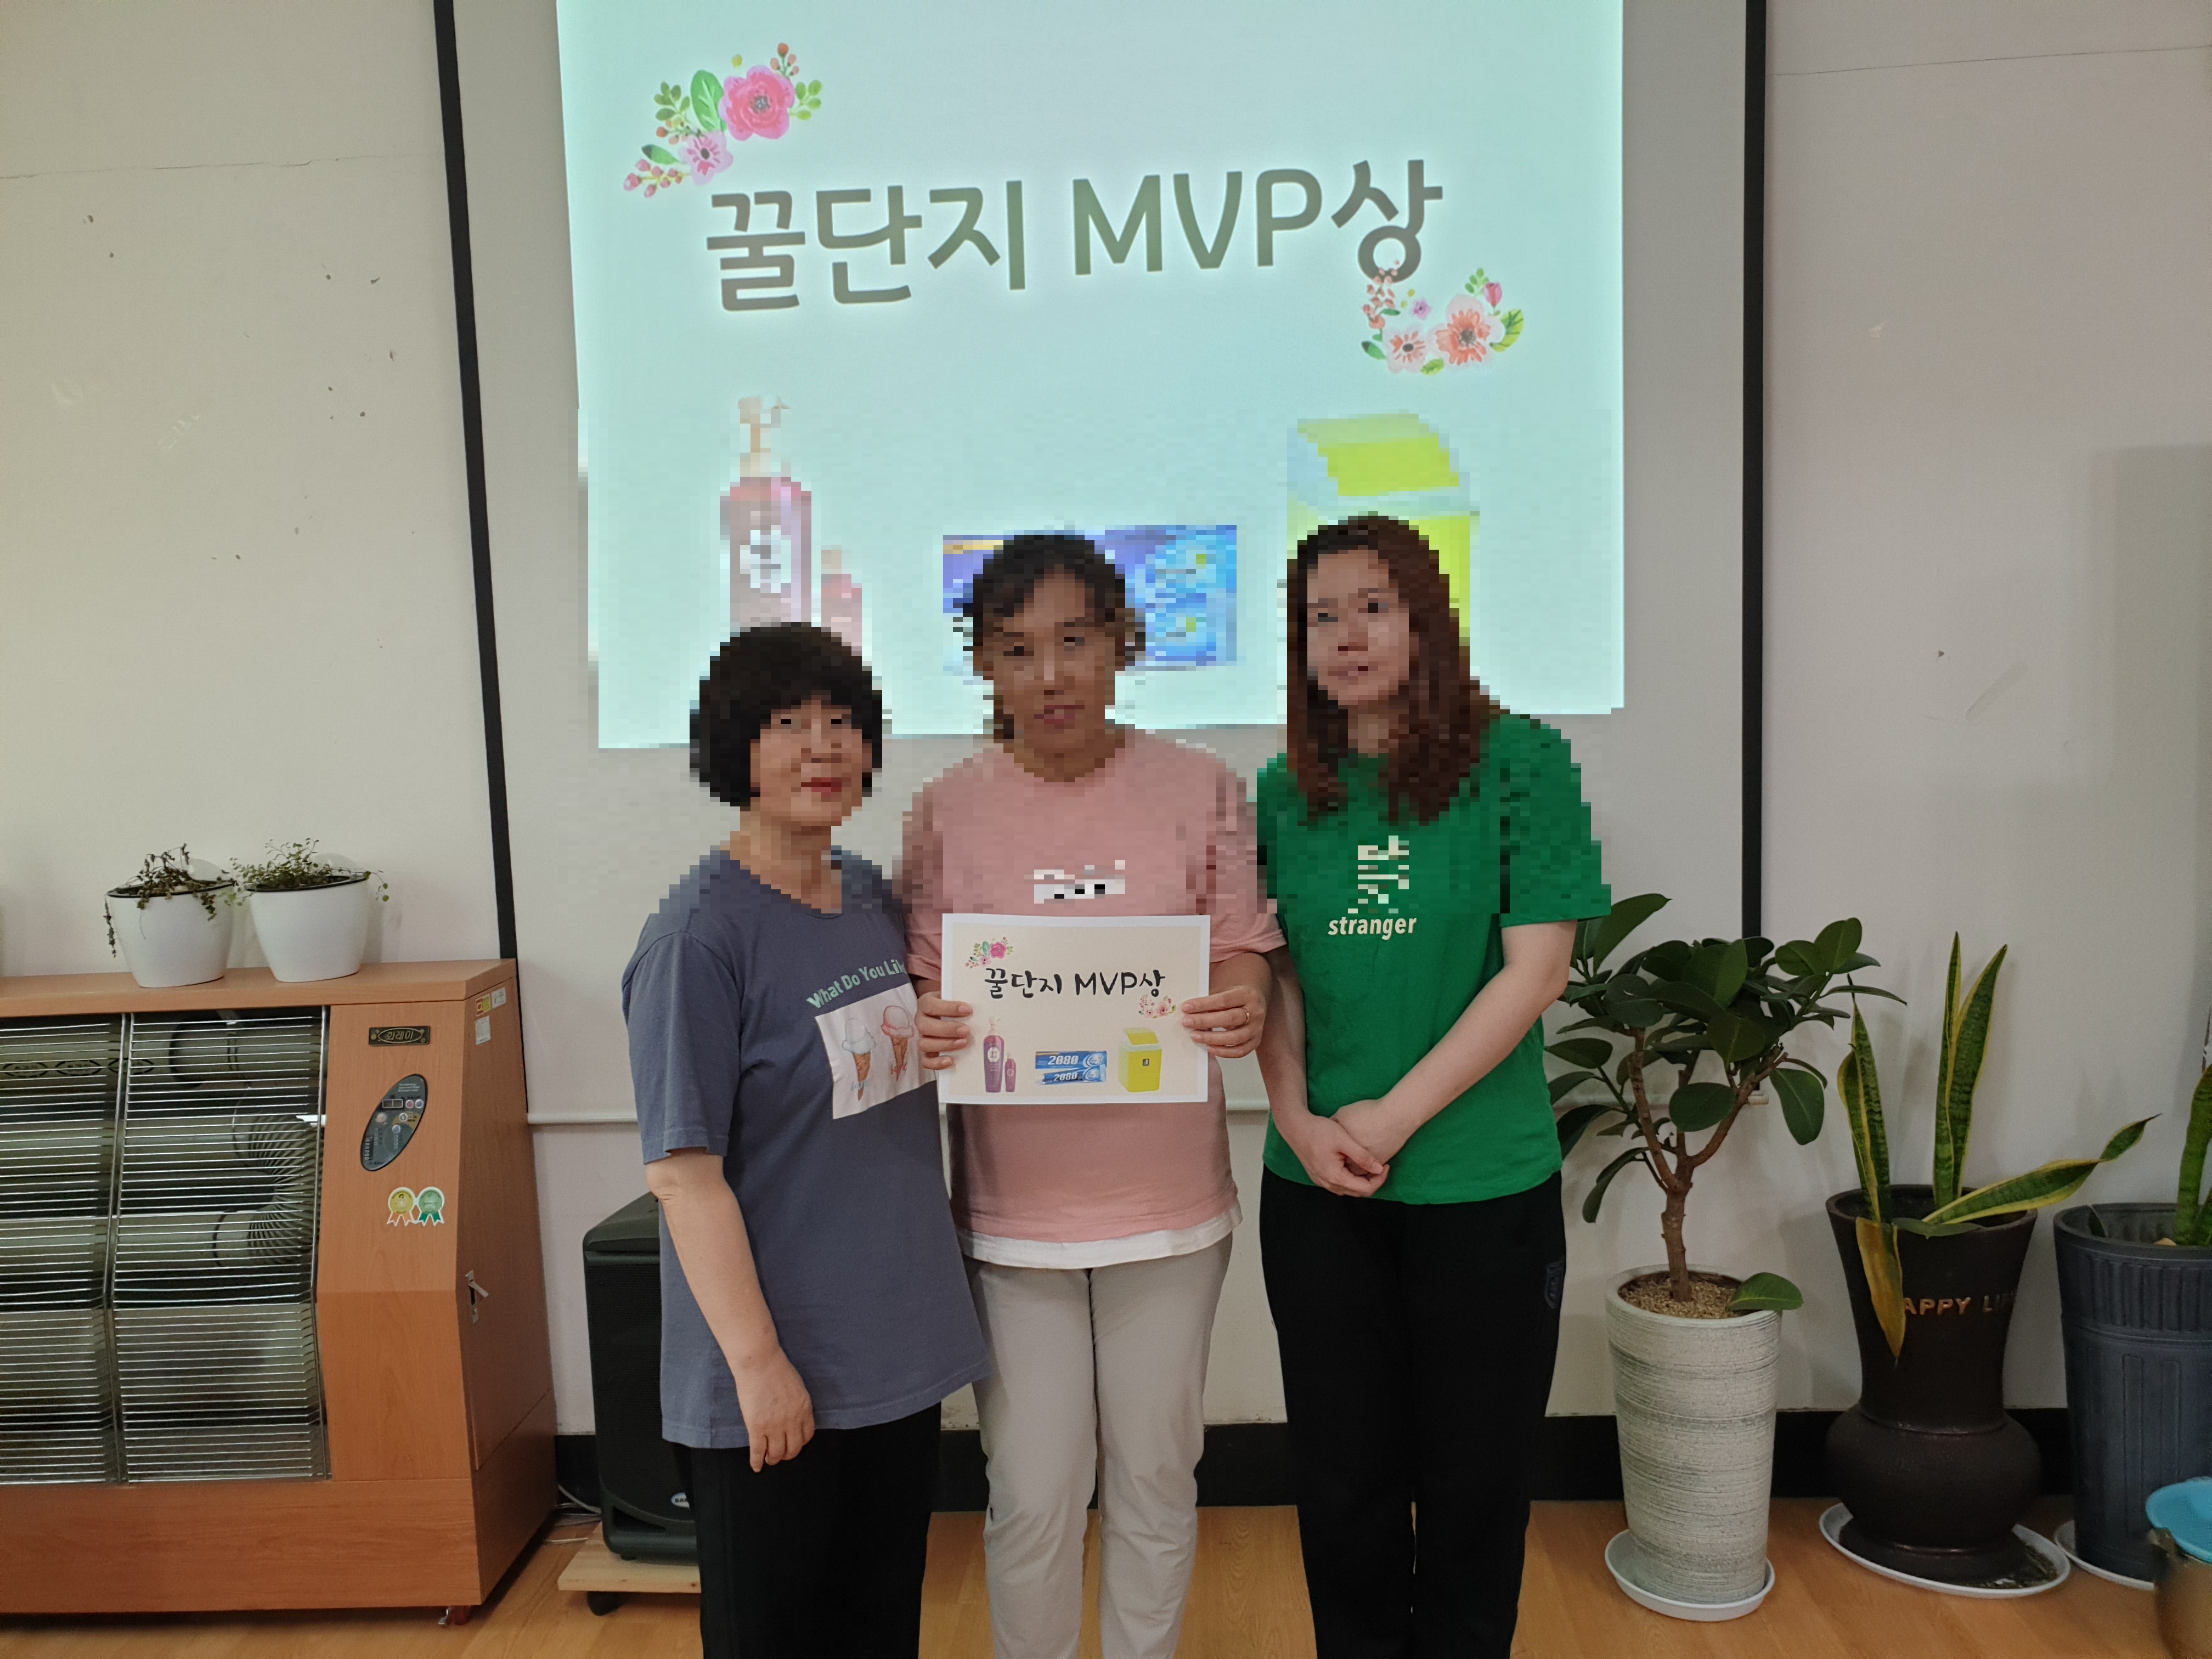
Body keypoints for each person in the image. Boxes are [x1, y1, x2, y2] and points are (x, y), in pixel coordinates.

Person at [902, 533, 1282, 1659]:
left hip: (1169, 1210)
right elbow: (924, 981)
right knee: (1031, 1491)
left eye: (1076, 641)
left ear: (1123, 644)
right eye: (1018, 650)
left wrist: (1243, 999)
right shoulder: (947, 809)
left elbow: (1243, 946)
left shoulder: (1200, 788)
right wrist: (928, 1020)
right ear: (984, 665)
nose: (1052, 675)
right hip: (1011, 1217)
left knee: (1158, 1477)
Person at [1254, 515, 1610, 1659]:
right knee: (1342, 1488)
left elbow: (1536, 971)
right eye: (1321, 616)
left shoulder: (1524, 762)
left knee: (1474, 1487)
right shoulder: (1281, 790)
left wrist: (1389, 1119)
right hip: (1317, 1190)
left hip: (1481, 1188)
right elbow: (1273, 978)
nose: (1348, 636)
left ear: (1428, 620)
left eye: (1375, 606)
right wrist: (1299, 1120)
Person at [622, 623, 988, 1658]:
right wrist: (759, 1365)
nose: (821, 747)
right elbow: (683, 1178)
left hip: (891, 1352)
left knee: (880, 1626)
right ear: (734, 749)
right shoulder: (697, 939)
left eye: (842, 723)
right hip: (773, 1374)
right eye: (787, 723)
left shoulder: (872, 897)